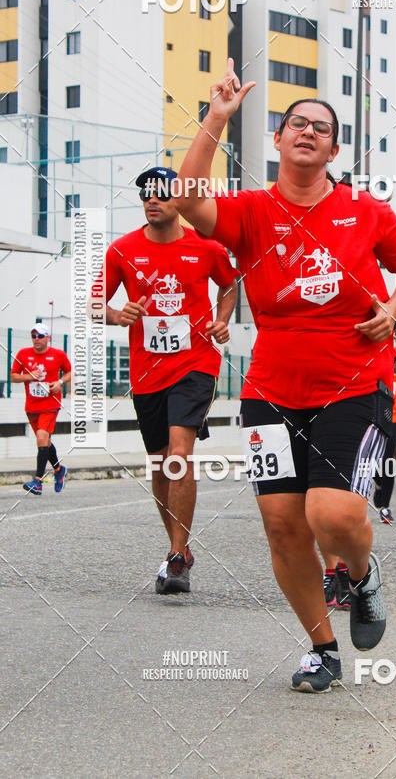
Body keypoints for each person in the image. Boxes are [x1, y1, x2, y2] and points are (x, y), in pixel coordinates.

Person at [174, 58, 396, 692]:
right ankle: (322, 647)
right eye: (296, 123)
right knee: (283, 524)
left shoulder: (364, 212)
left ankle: (363, 574)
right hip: (269, 391)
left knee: (332, 515)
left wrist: (394, 310)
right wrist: (217, 117)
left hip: (354, 383)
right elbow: (186, 197)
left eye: (321, 126)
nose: (307, 131)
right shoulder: (251, 212)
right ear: (282, 139)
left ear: (334, 147)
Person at [94, 166, 238, 594]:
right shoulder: (123, 250)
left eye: (160, 194)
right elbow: (95, 302)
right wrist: (117, 315)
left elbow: (230, 287)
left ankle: (177, 556)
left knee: (179, 451)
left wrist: (221, 319)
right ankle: (180, 547)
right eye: (145, 195)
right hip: (147, 369)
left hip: (196, 362)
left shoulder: (206, 247)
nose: (152, 200)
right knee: (159, 461)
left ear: (180, 200)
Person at [11, 323, 71, 495]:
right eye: (34, 336)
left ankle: (38, 481)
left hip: (50, 405)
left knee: (41, 436)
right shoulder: (23, 354)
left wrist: (59, 383)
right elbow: (14, 376)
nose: (36, 339)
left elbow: (69, 372)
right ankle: (59, 469)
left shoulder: (58, 355)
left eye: (40, 336)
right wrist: (29, 376)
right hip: (31, 406)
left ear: (48, 338)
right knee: (44, 441)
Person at [373, 352, 396, 524]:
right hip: (376, 416)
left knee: (389, 460)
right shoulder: (378, 355)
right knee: (372, 458)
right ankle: (378, 482)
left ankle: (385, 507)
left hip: (395, 418)